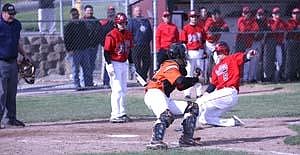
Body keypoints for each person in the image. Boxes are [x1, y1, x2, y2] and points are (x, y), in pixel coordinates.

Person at [145, 43, 202, 149]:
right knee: (166, 115)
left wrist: (194, 79)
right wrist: (195, 80)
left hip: (163, 96)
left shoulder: (173, 66)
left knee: (192, 107)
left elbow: (180, 86)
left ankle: (186, 139)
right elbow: (180, 81)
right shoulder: (170, 65)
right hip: (154, 93)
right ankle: (155, 141)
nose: (185, 56)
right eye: (183, 54)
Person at [196, 41, 256, 127]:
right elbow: (213, 85)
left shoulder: (232, 58)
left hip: (229, 92)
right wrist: (205, 95)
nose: (216, 55)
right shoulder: (216, 68)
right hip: (223, 96)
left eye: (217, 52)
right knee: (204, 118)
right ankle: (232, 122)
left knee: (199, 102)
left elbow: (244, 57)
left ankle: (188, 125)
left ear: (222, 52)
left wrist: (249, 55)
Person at [0, 3, 29, 128]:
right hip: (1, 62)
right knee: (1, 93)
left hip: (13, 62)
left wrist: (24, 55)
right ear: (3, 13)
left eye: (13, 14)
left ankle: (10, 119)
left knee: (12, 92)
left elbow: (16, 42)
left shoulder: (17, 24)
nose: (12, 17)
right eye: (9, 14)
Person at [104, 12, 134, 123]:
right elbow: (106, 52)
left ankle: (122, 112)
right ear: (116, 24)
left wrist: (131, 64)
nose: (123, 25)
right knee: (117, 89)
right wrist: (109, 65)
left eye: (124, 23)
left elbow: (129, 51)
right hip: (114, 62)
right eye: (120, 23)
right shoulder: (111, 35)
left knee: (124, 89)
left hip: (123, 63)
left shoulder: (128, 34)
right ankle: (114, 114)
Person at [180, 10, 206, 99]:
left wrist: (204, 51)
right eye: (192, 17)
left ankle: (199, 93)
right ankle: (187, 93)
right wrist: (185, 53)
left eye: (195, 17)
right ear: (189, 18)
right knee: (189, 73)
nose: (194, 18)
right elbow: (184, 43)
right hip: (190, 52)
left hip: (199, 52)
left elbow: (203, 41)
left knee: (199, 73)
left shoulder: (201, 28)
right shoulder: (186, 28)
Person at [64, 8, 91, 90]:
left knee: (86, 69)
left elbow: (86, 36)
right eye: (73, 15)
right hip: (74, 51)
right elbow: (66, 40)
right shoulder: (68, 26)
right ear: (71, 16)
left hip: (84, 50)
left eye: (76, 14)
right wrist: (69, 50)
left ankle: (87, 84)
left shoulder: (82, 24)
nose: (75, 16)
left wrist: (87, 46)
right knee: (75, 70)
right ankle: (77, 85)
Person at [128, 6, 153, 81]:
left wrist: (148, 41)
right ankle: (140, 80)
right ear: (133, 12)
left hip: (145, 45)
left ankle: (143, 76)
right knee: (137, 64)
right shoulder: (131, 21)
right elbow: (129, 34)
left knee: (147, 62)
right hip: (136, 46)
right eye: (136, 11)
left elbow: (150, 33)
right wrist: (133, 43)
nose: (138, 12)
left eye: (139, 10)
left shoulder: (145, 21)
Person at [204, 9, 229, 80]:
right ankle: (206, 78)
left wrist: (218, 28)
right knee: (207, 62)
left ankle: (218, 78)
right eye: (213, 15)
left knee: (218, 60)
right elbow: (208, 30)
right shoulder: (209, 21)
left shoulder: (220, 20)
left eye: (216, 15)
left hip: (215, 43)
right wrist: (217, 29)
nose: (214, 17)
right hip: (208, 43)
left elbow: (226, 28)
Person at [236, 6, 259, 83]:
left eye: (248, 13)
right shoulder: (240, 19)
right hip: (240, 44)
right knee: (240, 62)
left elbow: (256, 29)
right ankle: (241, 78)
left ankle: (247, 79)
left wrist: (249, 29)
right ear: (243, 13)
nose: (247, 14)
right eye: (245, 13)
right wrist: (250, 29)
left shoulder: (253, 20)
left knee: (248, 61)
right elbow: (243, 30)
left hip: (249, 44)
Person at [264, 7, 287, 82]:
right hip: (271, 44)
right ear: (272, 14)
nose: (277, 15)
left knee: (280, 61)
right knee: (269, 61)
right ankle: (269, 77)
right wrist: (277, 21)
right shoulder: (270, 21)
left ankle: (278, 76)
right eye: (275, 13)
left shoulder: (282, 21)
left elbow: (287, 28)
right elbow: (274, 29)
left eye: (278, 13)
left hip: (279, 44)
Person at [82, 5, 102, 87]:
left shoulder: (95, 21)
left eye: (91, 11)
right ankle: (85, 83)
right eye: (88, 11)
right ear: (84, 11)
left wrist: (96, 43)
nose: (89, 12)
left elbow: (99, 33)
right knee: (85, 65)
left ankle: (89, 82)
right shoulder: (81, 21)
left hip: (94, 47)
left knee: (92, 65)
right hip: (85, 47)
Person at [99, 6, 116, 88]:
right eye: (110, 11)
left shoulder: (117, 24)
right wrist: (104, 45)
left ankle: (115, 81)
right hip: (107, 48)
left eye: (112, 11)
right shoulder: (105, 24)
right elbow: (101, 36)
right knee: (107, 64)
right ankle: (106, 81)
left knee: (116, 64)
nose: (111, 13)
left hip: (117, 48)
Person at [253, 8, 270, 82]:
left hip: (262, 41)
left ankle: (261, 77)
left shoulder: (265, 21)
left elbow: (268, 29)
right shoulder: (254, 21)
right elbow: (255, 31)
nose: (260, 16)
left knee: (262, 60)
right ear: (256, 14)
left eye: (262, 14)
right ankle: (255, 77)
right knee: (255, 60)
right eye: (259, 14)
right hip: (253, 42)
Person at [285, 8, 300, 82]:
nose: (296, 14)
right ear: (292, 14)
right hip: (291, 42)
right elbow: (290, 29)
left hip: (298, 41)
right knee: (290, 60)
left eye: (297, 13)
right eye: (294, 13)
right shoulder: (290, 21)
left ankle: (296, 75)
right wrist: (296, 28)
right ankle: (289, 76)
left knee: (298, 60)